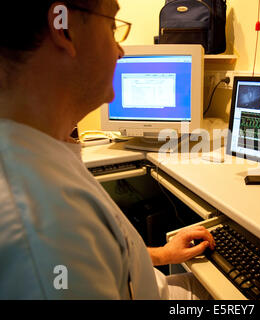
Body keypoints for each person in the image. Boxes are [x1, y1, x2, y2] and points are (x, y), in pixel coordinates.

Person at [0, 0, 215, 299]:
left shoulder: (44, 151)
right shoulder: (41, 230)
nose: (120, 50)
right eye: (112, 26)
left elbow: (107, 254)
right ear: (64, 29)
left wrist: (162, 254)